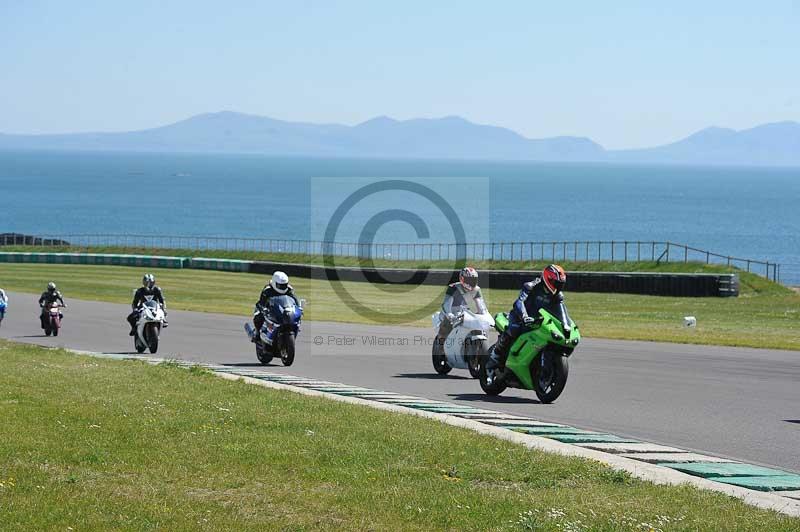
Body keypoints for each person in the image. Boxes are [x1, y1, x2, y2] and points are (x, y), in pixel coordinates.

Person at [486, 264, 571, 374]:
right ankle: (495, 355)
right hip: (520, 317)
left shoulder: (557, 295)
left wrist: (565, 325)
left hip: (539, 321)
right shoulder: (531, 286)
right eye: (556, 283)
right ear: (548, 279)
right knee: (514, 329)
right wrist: (524, 316)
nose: (558, 287)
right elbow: (519, 302)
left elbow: (562, 311)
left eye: (561, 284)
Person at [435, 267, 487, 347]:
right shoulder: (453, 287)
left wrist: (484, 315)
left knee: (479, 325)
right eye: (469, 280)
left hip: (467, 314)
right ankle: (441, 347)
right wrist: (449, 314)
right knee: (447, 324)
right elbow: (447, 303)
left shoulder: (476, 290)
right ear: (462, 279)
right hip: (452, 313)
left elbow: (480, 304)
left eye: (473, 280)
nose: (471, 282)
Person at [252, 271, 300, 341]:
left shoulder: (289, 289)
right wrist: (263, 309)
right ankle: (257, 334)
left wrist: (299, 307)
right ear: (274, 283)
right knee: (258, 316)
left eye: (284, 285)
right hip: (270, 310)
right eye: (280, 285)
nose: (283, 287)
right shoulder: (267, 290)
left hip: (284, 310)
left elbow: (295, 301)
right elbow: (261, 302)